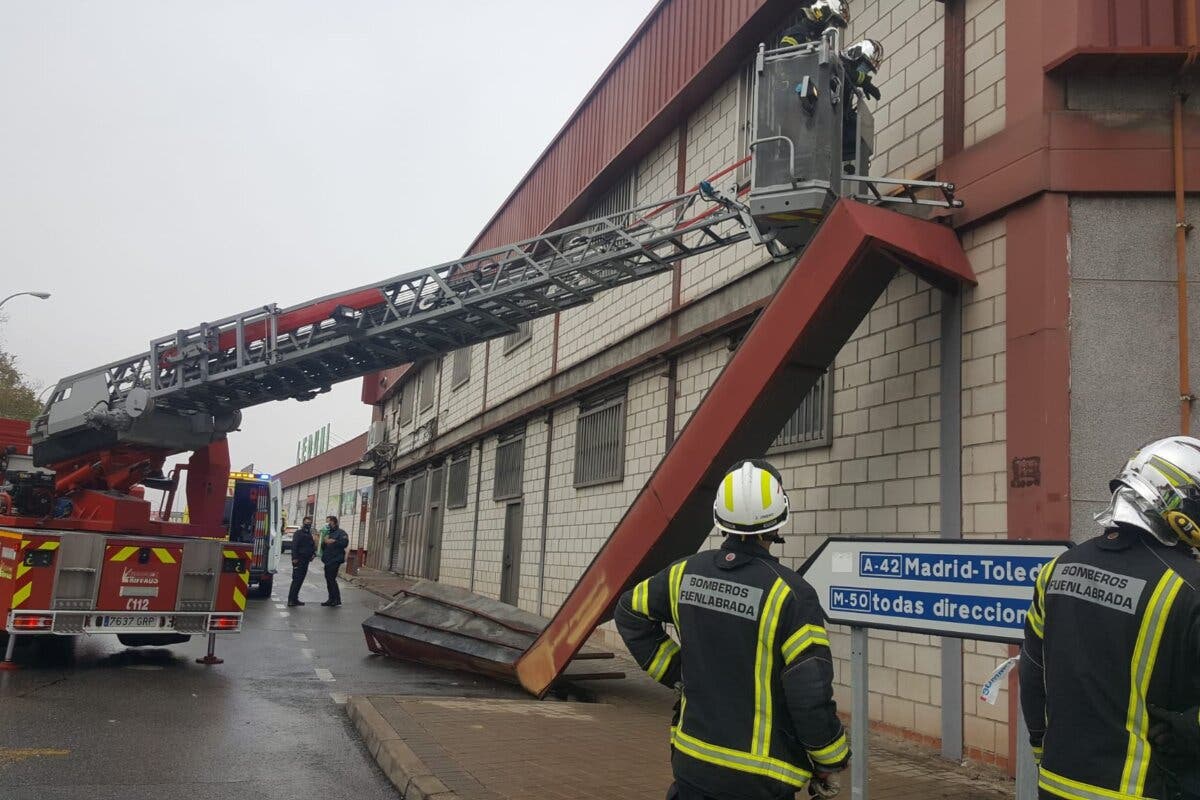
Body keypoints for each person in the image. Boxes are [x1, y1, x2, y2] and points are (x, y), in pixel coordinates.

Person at [615, 459, 849, 800]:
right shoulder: (791, 594)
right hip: (760, 779)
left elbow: (629, 612)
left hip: (691, 764)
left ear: (719, 518)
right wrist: (831, 760)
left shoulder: (683, 574)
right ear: (779, 520)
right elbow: (809, 694)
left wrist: (678, 673)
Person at [1019, 436, 1200, 800]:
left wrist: (1042, 749)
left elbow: (1032, 672)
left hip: (1056, 783)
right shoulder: (1188, 589)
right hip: (1148, 788)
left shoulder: (1058, 570)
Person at [778, 0, 849, 48]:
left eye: (837, 25)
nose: (835, 27)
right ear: (823, 13)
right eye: (834, 22)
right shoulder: (796, 33)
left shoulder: (822, 41)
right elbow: (784, 62)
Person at [320, 515, 349, 607]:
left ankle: (336, 599)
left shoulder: (341, 533)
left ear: (334, 522)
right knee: (328, 580)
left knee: (332, 579)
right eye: (326, 522)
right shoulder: (328, 533)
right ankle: (331, 599)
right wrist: (324, 542)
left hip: (335, 559)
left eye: (329, 522)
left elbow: (344, 543)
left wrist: (334, 541)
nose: (327, 524)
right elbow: (323, 547)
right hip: (328, 559)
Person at [287, 516, 316, 607]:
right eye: (306, 523)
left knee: (300, 580)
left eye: (310, 523)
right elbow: (294, 546)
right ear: (303, 523)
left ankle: (295, 598)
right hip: (298, 560)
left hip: (306, 560)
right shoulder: (298, 533)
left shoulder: (309, 534)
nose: (308, 525)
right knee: (296, 580)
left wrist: (313, 554)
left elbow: (311, 546)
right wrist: (294, 558)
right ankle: (291, 600)